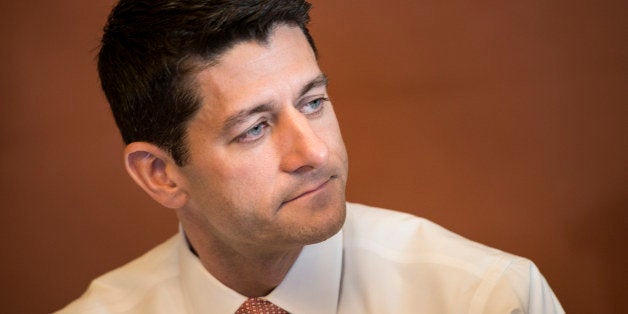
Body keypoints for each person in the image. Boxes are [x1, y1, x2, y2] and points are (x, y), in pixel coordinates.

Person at [58, 0, 564, 313]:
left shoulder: (488, 300)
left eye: (313, 102)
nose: (315, 151)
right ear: (161, 175)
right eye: (254, 129)